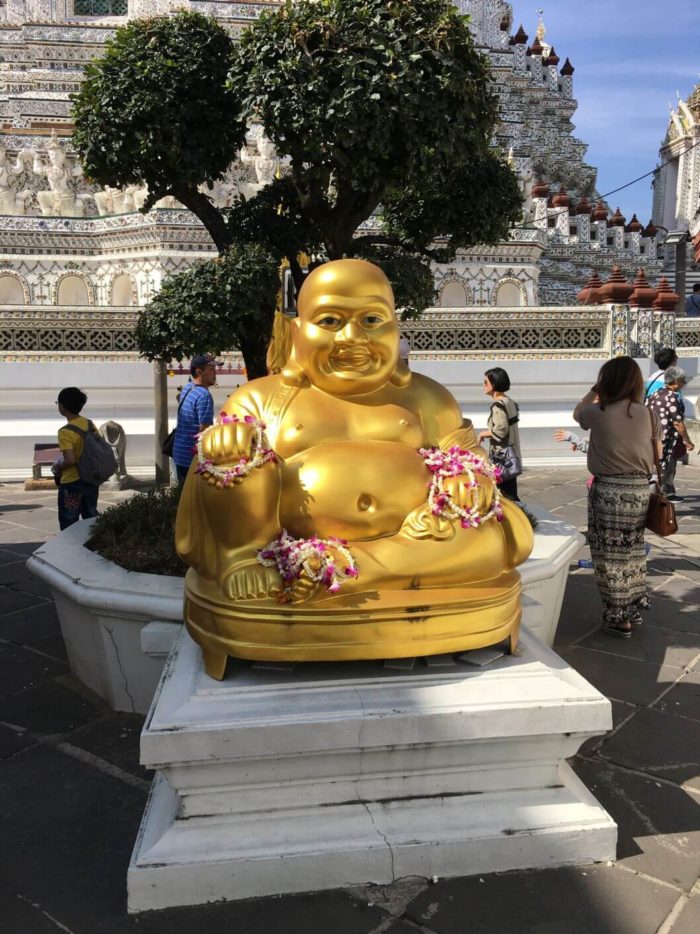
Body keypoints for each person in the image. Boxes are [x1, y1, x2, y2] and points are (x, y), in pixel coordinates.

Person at [175, 260, 533, 677]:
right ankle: (254, 564)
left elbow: (474, 465)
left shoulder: (428, 398)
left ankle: (344, 568)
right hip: (280, 545)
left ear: (395, 328)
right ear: (297, 333)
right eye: (330, 320)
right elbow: (220, 484)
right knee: (233, 465)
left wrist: (467, 480)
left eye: (371, 319)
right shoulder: (261, 399)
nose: (353, 337)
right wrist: (227, 447)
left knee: (498, 538)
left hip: (419, 539)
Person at [574, 356, 662, 639]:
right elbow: (657, 452)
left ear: (606, 382)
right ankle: (632, 607)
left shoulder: (597, 412)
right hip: (639, 490)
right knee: (633, 551)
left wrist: (595, 388)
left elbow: (578, 413)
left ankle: (617, 615)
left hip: (609, 491)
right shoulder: (648, 413)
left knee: (609, 555)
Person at [53, 387, 100, 530]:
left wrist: (58, 466)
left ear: (62, 406)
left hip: (71, 482)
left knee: (69, 522)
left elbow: (70, 460)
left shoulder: (65, 432)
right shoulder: (89, 424)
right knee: (91, 517)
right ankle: (92, 546)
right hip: (90, 479)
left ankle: (70, 549)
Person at [646, 365, 695, 501]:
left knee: (656, 467)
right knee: (664, 467)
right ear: (677, 380)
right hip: (665, 438)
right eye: (683, 380)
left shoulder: (656, 393)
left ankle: (658, 495)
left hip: (651, 436)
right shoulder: (672, 397)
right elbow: (678, 422)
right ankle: (662, 496)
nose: (684, 383)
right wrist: (687, 441)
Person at [172, 354, 221, 483]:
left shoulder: (188, 388)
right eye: (211, 370)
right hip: (192, 459)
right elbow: (205, 432)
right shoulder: (204, 396)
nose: (215, 373)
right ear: (199, 372)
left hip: (179, 453)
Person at [478, 367, 522, 503]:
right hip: (512, 453)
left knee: (505, 496)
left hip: (502, 457)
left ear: (494, 384)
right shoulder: (509, 401)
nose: (483, 385)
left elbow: (500, 430)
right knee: (510, 490)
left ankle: (517, 521)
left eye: (486, 382)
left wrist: (482, 434)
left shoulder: (498, 406)